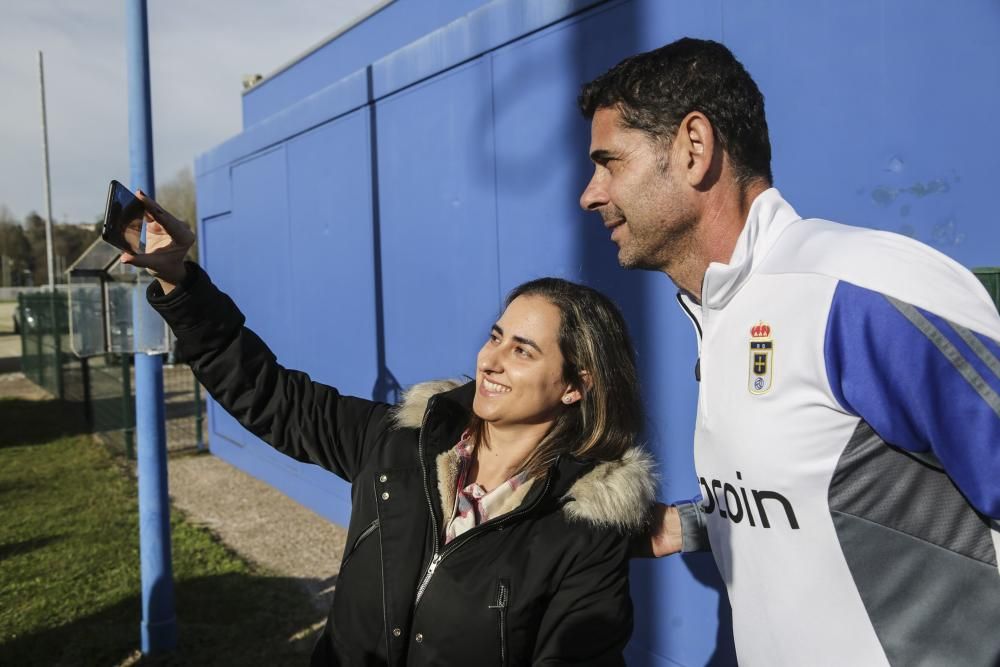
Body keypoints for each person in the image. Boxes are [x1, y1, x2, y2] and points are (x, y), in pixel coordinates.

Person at [578, 37, 1000, 666]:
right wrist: (691, 525)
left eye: (610, 162)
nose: (591, 193)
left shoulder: (856, 289)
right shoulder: (718, 310)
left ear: (694, 149)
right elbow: (835, 487)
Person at [123, 192, 656, 666]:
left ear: (575, 386)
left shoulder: (582, 527)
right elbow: (269, 396)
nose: (491, 360)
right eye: (496, 337)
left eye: (523, 351)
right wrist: (178, 278)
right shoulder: (402, 440)